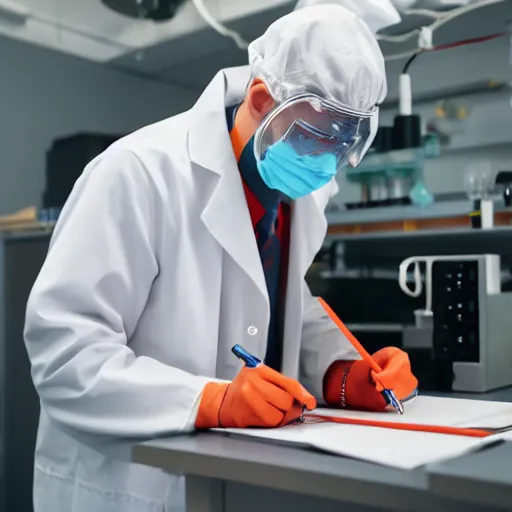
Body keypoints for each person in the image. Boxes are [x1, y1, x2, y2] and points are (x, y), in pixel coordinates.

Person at [24, 3, 417, 512]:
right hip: (128, 488)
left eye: (343, 145)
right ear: (260, 99)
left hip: (241, 481)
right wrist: (210, 400)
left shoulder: (295, 190)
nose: (326, 164)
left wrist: (346, 375)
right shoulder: (137, 174)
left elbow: (280, 301)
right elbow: (66, 354)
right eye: (316, 138)